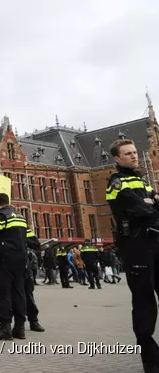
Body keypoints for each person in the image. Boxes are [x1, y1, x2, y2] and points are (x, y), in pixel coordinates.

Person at [105, 138, 159, 372]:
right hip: (136, 249)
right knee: (145, 303)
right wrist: (149, 204)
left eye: (135, 152)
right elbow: (140, 210)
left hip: (154, 244)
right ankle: (150, 359)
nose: (134, 156)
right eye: (128, 153)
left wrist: (149, 203)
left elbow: (151, 206)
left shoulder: (143, 182)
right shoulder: (116, 182)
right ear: (117, 159)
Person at [0, 193, 29, 341]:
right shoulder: (20, 217)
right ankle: (20, 328)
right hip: (21, 261)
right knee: (19, 293)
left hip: (4, 260)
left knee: (3, 294)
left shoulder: (1, 217)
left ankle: (5, 327)